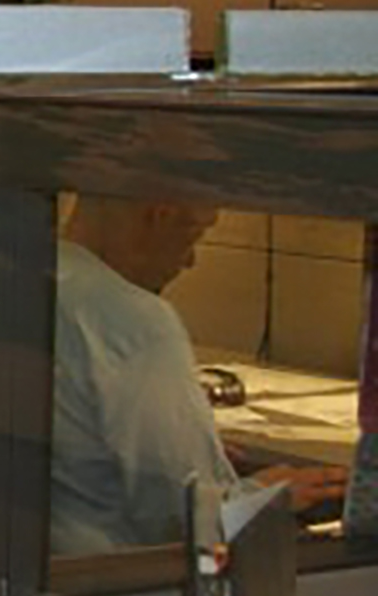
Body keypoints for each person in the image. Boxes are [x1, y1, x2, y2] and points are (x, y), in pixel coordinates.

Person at [50, 195, 344, 555]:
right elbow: (181, 517)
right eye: (193, 237)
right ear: (159, 214)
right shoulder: (135, 318)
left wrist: (191, 444)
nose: (190, 261)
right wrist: (267, 495)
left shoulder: (29, 278)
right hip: (119, 587)